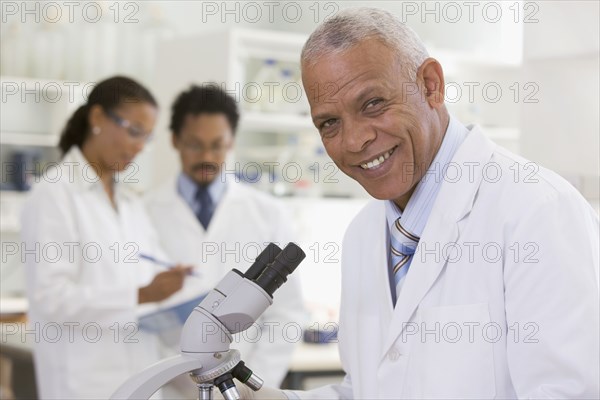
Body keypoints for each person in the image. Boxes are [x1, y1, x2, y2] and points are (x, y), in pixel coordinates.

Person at [241, 7, 600, 400]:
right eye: (329, 123)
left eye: (373, 103)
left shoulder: (538, 211)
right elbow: (370, 390)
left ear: (431, 84)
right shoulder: (363, 235)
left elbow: (568, 393)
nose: (354, 141)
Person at [21, 76, 192, 399]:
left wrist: (173, 284)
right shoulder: (53, 196)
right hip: (84, 386)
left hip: (139, 384)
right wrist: (140, 294)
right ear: (97, 118)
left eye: (147, 137)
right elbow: (51, 299)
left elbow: (149, 275)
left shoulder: (129, 203)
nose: (140, 146)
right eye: (133, 131)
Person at [144, 84, 305, 392]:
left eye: (217, 145)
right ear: (175, 140)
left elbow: (288, 312)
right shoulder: (143, 214)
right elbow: (144, 316)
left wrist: (251, 385)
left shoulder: (267, 213)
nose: (206, 156)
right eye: (194, 145)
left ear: (231, 141)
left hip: (245, 387)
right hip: (170, 389)